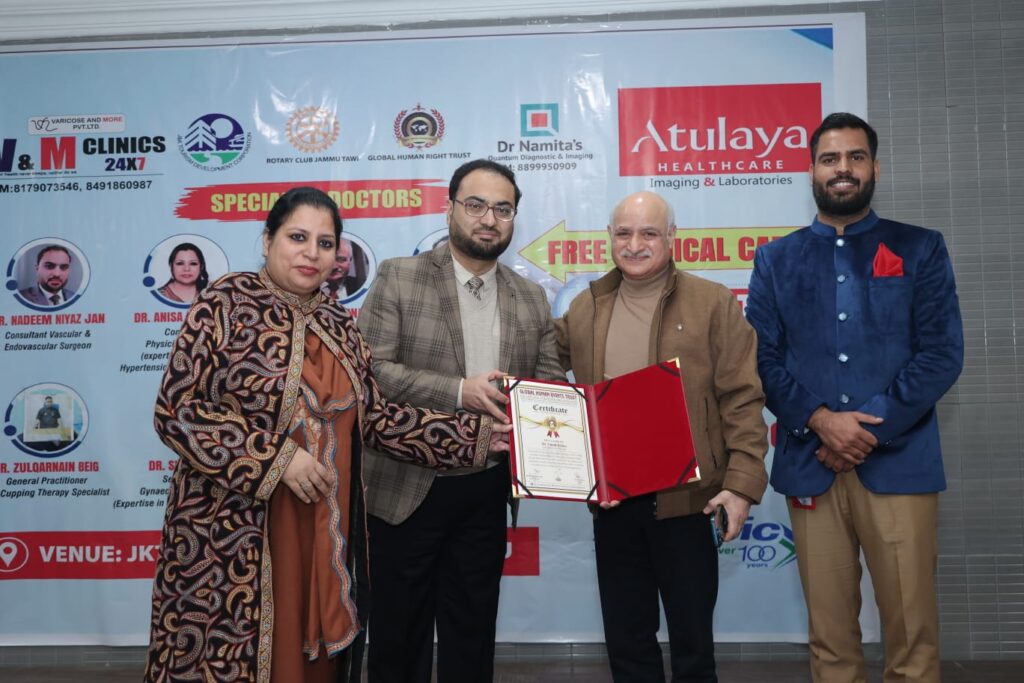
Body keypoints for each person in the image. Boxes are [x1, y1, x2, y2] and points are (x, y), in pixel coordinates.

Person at [144, 187, 510, 683]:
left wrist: (474, 437)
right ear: (268, 239)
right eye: (297, 237)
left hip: (321, 527)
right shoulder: (224, 303)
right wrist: (276, 459)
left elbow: (378, 419)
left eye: (325, 243)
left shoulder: (339, 323)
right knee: (231, 657)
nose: (311, 253)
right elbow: (177, 409)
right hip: (234, 531)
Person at [745, 113, 964, 683]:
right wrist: (820, 420)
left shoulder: (920, 248)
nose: (842, 169)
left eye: (855, 157)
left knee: (912, 636)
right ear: (811, 171)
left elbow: (941, 354)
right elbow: (761, 360)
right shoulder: (775, 259)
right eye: (830, 159)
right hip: (809, 462)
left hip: (900, 464)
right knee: (830, 639)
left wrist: (864, 428)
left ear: (875, 168)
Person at [359, 159, 564, 683]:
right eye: (475, 205)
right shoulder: (399, 276)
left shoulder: (531, 297)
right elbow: (371, 371)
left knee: (471, 637)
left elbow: (546, 389)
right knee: (398, 639)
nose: (488, 219)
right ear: (449, 208)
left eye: (503, 209)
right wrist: (458, 391)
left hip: (486, 488)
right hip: (406, 485)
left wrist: (555, 434)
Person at [555, 191, 768, 682]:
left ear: (672, 237)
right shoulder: (586, 307)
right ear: (609, 238)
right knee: (627, 645)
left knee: (693, 649)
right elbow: (543, 371)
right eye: (624, 233)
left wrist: (741, 486)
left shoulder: (712, 302)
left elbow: (742, 398)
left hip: (688, 504)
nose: (634, 244)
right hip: (613, 504)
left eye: (649, 233)